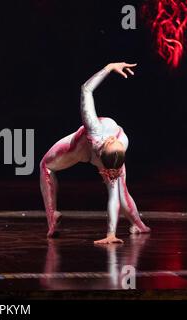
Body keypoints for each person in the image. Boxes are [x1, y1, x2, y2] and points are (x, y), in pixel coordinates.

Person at [40, 62, 151, 244]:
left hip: (80, 150)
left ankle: (138, 224)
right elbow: (86, 90)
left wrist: (111, 234)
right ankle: (138, 224)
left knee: (119, 190)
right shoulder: (98, 131)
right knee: (46, 166)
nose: (114, 139)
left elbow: (86, 89)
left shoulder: (114, 155)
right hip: (79, 146)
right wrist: (109, 67)